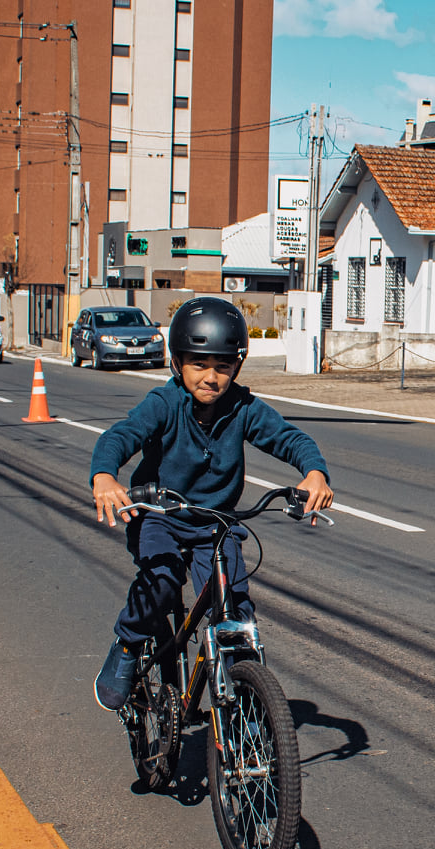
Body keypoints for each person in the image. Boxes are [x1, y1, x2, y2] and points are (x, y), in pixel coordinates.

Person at [87, 297, 334, 712]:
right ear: (178, 362)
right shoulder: (164, 404)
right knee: (162, 581)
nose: (211, 377)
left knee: (234, 608)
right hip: (160, 516)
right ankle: (128, 646)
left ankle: (244, 704)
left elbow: (291, 439)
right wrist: (105, 476)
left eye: (222, 366)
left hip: (215, 524)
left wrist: (314, 473)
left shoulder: (243, 408)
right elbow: (120, 436)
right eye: (199, 364)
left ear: (236, 367)